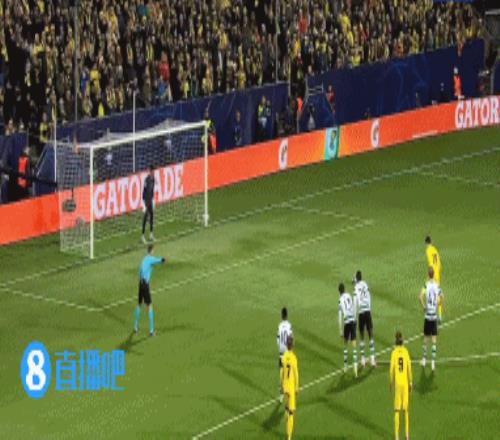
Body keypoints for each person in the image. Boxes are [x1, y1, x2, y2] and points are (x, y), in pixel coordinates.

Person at [133, 244, 166, 336]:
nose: (154, 252)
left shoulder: (144, 259)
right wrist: (164, 260)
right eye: (153, 250)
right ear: (151, 250)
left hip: (140, 283)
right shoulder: (151, 258)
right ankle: (151, 331)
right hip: (145, 285)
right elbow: (158, 260)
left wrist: (142, 280)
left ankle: (135, 328)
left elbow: (140, 271)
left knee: (139, 304)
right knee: (150, 306)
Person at [390, 331, 412, 440]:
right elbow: (409, 367)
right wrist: (410, 382)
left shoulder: (394, 353)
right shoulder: (406, 352)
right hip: (405, 382)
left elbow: (391, 369)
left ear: (395, 341)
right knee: (405, 410)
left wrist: (391, 382)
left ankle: (397, 436)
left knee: (397, 410)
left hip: (398, 384)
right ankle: (407, 435)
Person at [420, 266, 443, 371]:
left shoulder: (426, 285)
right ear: (433, 274)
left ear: (428, 274)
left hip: (427, 315)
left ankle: (424, 360)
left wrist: (424, 306)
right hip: (434, 316)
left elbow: (420, 296)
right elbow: (442, 297)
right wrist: (438, 304)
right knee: (434, 340)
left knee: (425, 339)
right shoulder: (437, 285)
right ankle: (433, 362)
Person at [353, 271, 376, 368]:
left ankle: (362, 359)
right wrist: (369, 308)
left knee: (362, 335)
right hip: (367, 311)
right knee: (370, 334)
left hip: (361, 312)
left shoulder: (356, 287)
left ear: (356, 278)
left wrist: (355, 316)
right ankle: (372, 359)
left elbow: (355, 301)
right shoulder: (365, 284)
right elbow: (369, 296)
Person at [281, 335, 299, 440]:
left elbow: (282, 371)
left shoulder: (284, 356)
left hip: (285, 385)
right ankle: (289, 436)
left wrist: (281, 384)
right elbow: (296, 373)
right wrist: (297, 386)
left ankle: (286, 412)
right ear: (293, 345)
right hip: (291, 387)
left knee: (287, 406)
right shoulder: (293, 358)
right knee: (291, 412)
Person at [338, 282, 358, 377]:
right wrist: (355, 319)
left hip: (346, 322)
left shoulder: (340, 300)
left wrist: (340, 331)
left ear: (339, 292)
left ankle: (345, 366)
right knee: (354, 345)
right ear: (345, 289)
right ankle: (355, 368)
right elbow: (354, 307)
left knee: (345, 344)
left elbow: (340, 317)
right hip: (352, 320)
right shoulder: (349, 296)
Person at [277, 307, 293, 401]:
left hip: (281, 351)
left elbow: (278, 339)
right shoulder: (289, 326)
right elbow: (290, 338)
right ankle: (288, 389)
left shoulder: (279, 326)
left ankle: (281, 394)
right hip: (287, 351)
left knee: (281, 371)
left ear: (281, 315)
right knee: (289, 371)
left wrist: (280, 348)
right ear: (287, 315)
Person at [425, 236, 442, 320]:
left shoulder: (428, 250)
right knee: (438, 293)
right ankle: (440, 315)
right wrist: (438, 271)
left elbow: (430, 263)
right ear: (431, 241)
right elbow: (439, 262)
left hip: (433, 273)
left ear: (426, 243)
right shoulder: (435, 249)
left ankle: (431, 312)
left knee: (429, 291)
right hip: (437, 272)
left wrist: (429, 274)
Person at [142, 165, 155, 244]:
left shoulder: (153, 179)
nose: (153, 173)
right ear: (149, 171)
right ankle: (142, 236)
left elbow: (152, 190)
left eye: (153, 171)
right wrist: (143, 203)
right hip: (146, 200)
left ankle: (151, 234)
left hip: (150, 200)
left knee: (152, 215)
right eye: (151, 171)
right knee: (145, 217)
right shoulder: (146, 180)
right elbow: (144, 192)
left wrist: (153, 200)